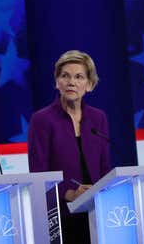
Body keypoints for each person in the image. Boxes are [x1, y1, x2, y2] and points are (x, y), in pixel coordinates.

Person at [27, 50, 111, 244]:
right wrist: (69, 193)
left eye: (79, 77)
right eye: (65, 76)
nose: (71, 82)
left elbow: (105, 166)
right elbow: (38, 172)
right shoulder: (41, 120)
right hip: (60, 212)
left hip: (96, 209)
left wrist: (102, 193)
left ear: (90, 85)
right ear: (57, 82)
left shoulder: (98, 118)